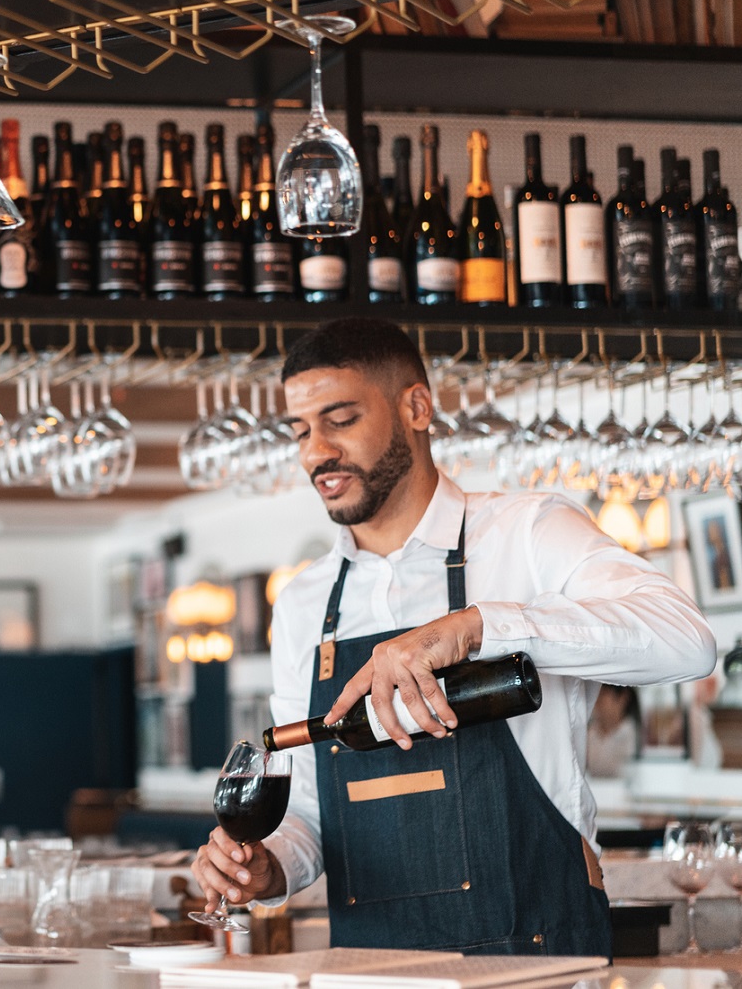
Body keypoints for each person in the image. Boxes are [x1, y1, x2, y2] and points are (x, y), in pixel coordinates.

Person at [191, 318, 715, 956]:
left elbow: (687, 639)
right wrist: (268, 868)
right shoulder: (303, 604)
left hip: (540, 961)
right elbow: (308, 811)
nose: (314, 452)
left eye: (340, 419)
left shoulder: (527, 532)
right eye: (300, 430)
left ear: (416, 406)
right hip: (373, 969)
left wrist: (480, 625)